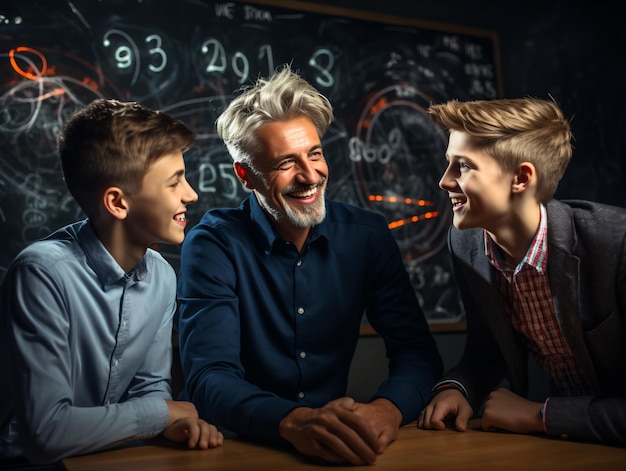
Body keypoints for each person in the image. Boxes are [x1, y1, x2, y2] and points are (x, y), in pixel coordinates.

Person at [177, 65, 443, 465]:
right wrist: (294, 421)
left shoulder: (367, 235)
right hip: (230, 448)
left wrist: (386, 410)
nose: (310, 175)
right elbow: (209, 377)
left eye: (315, 154)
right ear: (246, 176)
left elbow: (417, 353)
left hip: (337, 447)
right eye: (286, 163)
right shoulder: (213, 243)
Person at [0, 98, 224, 466]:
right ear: (118, 203)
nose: (191, 194)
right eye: (174, 183)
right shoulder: (42, 274)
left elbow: (151, 390)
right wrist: (162, 415)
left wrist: (170, 424)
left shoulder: (162, 277)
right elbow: (46, 433)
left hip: (108, 457)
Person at [417, 97, 626, 446]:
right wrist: (458, 389)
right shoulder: (466, 245)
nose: (444, 181)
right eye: (448, 164)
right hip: (559, 448)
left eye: (463, 166)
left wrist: (539, 416)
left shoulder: (616, 244)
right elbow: (488, 348)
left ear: (521, 178)